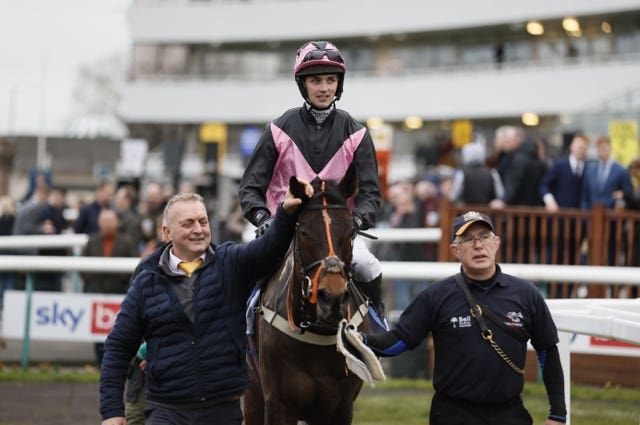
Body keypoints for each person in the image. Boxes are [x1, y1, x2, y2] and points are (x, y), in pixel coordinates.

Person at [100, 183, 313, 425]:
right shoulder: (146, 281)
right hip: (166, 411)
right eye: (188, 223)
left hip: (222, 410)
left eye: (203, 221)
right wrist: (111, 411)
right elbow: (118, 347)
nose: (198, 229)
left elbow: (270, 248)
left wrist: (285, 212)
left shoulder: (231, 262)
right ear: (166, 232)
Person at [352, 211, 566, 425]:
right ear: (455, 251)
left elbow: (548, 351)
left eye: (484, 237)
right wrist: (361, 341)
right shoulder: (435, 296)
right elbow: (399, 341)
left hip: (510, 414)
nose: (478, 245)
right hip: (452, 414)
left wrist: (558, 413)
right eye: (468, 239)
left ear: (496, 243)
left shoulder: (526, 293)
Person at [238, 40, 385, 320]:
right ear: (302, 84)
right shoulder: (278, 128)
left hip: (335, 230)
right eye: (316, 80)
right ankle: (237, 333)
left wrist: (357, 221)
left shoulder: (358, 134)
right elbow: (250, 188)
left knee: (367, 265)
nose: (324, 88)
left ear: (339, 85)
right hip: (280, 224)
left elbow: (371, 194)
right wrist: (261, 218)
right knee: (246, 267)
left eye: (331, 80)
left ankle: (379, 326)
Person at [82, 209, 139, 368]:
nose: (107, 224)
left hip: (118, 293)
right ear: (99, 223)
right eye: (104, 221)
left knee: (118, 331)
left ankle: (117, 362)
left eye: (110, 221)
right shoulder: (92, 242)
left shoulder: (126, 242)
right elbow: (83, 266)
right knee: (96, 330)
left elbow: (134, 267)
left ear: (116, 223)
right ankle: (98, 361)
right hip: (96, 293)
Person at [449, 141, 505, 209]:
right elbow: (500, 194)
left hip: (467, 215)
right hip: (487, 214)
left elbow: (453, 196)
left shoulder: (462, 173)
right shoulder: (492, 172)